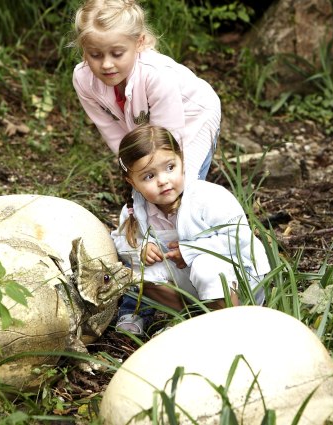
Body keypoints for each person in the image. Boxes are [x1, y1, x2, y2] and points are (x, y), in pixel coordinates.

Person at [71, 0, 222, 334]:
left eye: (116, 53)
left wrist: (152, 181)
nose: (106, 64)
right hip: (140, 133)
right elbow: (111, 130)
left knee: (176, 198)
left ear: (138, 44)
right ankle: (138, 304)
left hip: (188, 122)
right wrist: (133, 175)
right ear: (84, 50)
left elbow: (169, 146)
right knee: (140, 209)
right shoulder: (83, 78)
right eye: (95, 55)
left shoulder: (156, 77)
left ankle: (208, 292)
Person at [111, 125, 271, 322]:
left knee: (206, 267)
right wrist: (141, 248)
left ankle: (230, 322)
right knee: (140, 273)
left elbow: (238, 238)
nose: (163, 180)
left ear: (182, 162)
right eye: (149, 176)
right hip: (189, 287)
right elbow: (119, 240)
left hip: (237, 282)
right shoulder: (134, 210)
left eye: (170, 167)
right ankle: (194, 317)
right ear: (132, 182)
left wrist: (188, 251)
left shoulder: (207, 197)